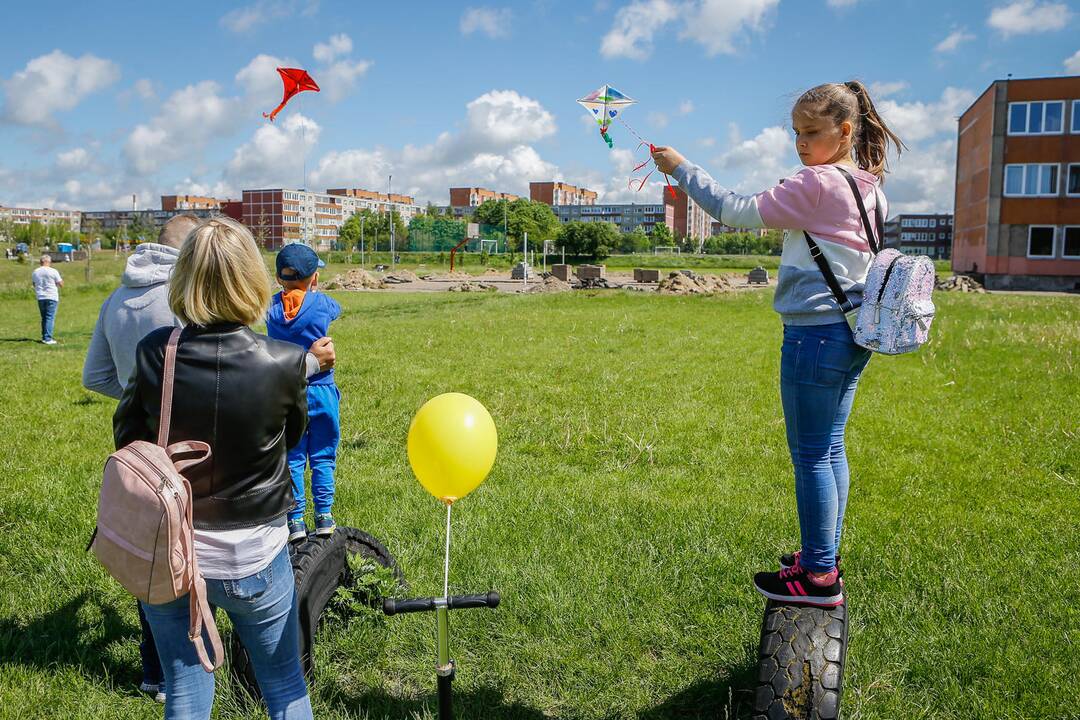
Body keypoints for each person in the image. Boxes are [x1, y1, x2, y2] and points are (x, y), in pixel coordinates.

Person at [652, 80, 904, 608]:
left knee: (812, 453)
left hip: (814, 334)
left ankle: (816, 576)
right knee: (831, 447)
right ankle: (823, 556)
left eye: (812, 132)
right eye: (796, 133)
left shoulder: (817, 184)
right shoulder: (870, 188)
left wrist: (680, 168)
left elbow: (734, 210)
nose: (801, 144)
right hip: (854, 331)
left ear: (845, 130)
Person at [82, 216, 336, 704]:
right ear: (253, 280)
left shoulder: (157, 352)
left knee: (185, 687)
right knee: (283, 685)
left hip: (173, 548)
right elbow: (291, 440)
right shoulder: (284, 362)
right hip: (254, 553)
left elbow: (128, 436)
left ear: (184, 278)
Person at [265, 244, 342, 542]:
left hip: (288, 390)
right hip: (321, 389)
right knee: (323, 456)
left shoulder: (271, 310)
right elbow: (338, 309)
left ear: (278, 278)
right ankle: (323, 515)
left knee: (293, 457)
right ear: (315, 278)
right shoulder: (322, 304)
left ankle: (295, 520)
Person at [31, 254, 63, 344]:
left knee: (44, 317)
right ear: (48, 261)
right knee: (50, 317)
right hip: (51, 296)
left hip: (41, 296)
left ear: (41, 262)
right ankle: (48, 338)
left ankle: (44, 336)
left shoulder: (35, 272)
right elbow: (61, 284)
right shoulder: (53, 271)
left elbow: (34, 284)